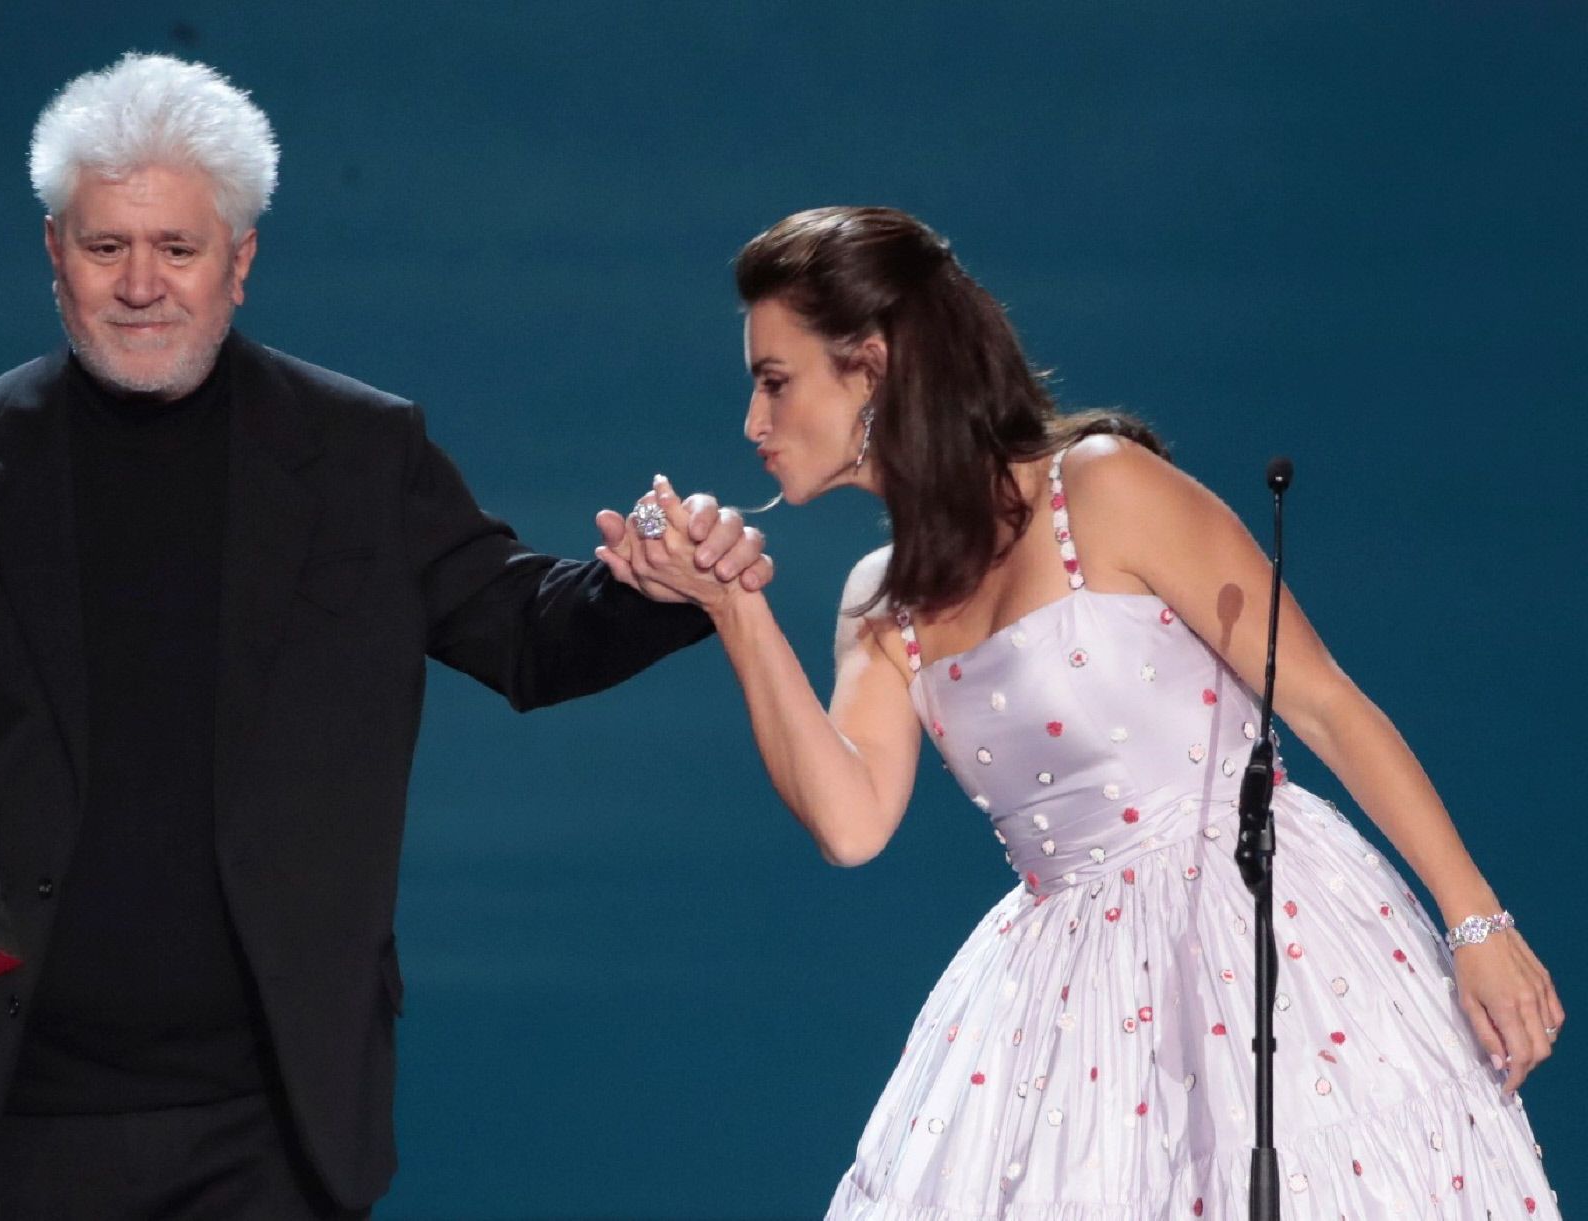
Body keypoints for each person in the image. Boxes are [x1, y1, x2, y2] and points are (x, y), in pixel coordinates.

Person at [0, 53, 771, 1220]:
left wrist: (657, 591)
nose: (141, 283)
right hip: (11, 1104)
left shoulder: (360, 453)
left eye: (179, 249)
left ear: (240, 263)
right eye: (107, 248)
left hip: (271, 1117)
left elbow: (525, 632)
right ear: (56, 255)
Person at [605, 206, 1563, 1217]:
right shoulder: (881, 602)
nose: (754, 424)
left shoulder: (1101, 490)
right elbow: (848, 827)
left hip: (1267, 940)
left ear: (874, 367)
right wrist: (734, 608)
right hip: (1069, 1010)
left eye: (775, 380)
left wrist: (1478, 924)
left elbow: (1327, 706)